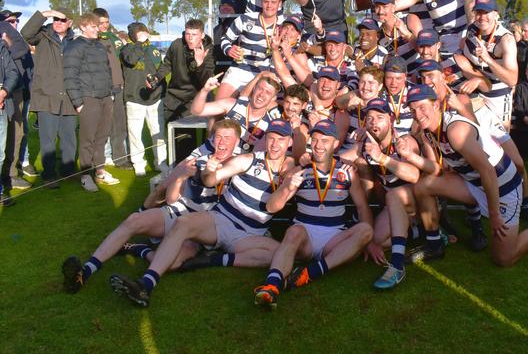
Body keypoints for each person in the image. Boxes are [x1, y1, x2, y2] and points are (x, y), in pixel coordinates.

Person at [108, 119, 295, 307]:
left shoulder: (291, 170)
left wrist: (289, 177)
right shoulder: (247, 159)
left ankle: (209, 260)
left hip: (248, 235)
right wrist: (209, 173)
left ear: (290, 143)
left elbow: (276, 200)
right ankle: (145, 284)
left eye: (281, 139)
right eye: (271, 138)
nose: (275, 144)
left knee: (282, 255)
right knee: (182, 227)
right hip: (219, 221)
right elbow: (211, 179)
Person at [61, 119, 240, 294]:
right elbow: (171, 199)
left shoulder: (241, 166)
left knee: (172, 262)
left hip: (203, 227)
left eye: (227, 137)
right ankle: (85, 272)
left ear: (237, 141)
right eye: (218, 137)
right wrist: (180, 177)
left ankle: (137, 250)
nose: (222, 142)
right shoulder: (198, 161)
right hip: (180, 211)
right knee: (134, 220)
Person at [405, 84, 528, 267]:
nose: (417, 114)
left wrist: (494, 213)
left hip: (503, 188)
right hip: (476, 184)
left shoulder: (455, 130)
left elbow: (488, 170)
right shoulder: (429, 130)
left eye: (422, 107)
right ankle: (434, 245)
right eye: (413, 110)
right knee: (422, 187)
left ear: (435, 105)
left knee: (503, 259)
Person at [253, 119, 375, 309]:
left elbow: (362, 207)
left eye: (325, 141)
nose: (318, 145)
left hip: (334, 239)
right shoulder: (300, 171)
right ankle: (272, 285)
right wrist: (287, 188)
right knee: (293, 232)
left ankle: (311, 273)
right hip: (305, 237)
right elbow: (271, 207)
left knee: (366, 230)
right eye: (315, 140)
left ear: (335, 144)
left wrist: (370, 243)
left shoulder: (347, 171)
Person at [341, 98, 420, 290]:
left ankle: (397, 264)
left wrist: (382, 158)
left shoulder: (404, 141)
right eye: (369, 118)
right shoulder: (366, 144)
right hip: (392, 206)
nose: (374, 122)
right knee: (373, 240)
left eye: (379, 117)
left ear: (391, 119)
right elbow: (339, 159)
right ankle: (416, 232)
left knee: (394, 196)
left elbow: (415, 176)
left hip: (418, 202)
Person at [63, 12, 120, 192]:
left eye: (98, 26)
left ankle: (100, 171)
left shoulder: (100, 46)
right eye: (94, 26)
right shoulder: (75, 47)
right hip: (88, 99)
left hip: (105, 98)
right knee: (88, 138)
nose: (98, 29)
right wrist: (78, 102)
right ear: (83, 27)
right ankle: (86, 175)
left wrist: (110, 93)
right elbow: (70, 76)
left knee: (102, 137)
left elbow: (107, 71)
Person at [21, 9, 77, 189]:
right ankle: (50, 175)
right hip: (46, 97)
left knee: (69, 138)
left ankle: (68, 171)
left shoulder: (74, 41)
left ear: (70, 22)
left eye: (63, 19)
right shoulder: (43, 35)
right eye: (55, 19)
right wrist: (44, 14)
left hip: (69, 97)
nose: (58, 22)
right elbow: (26, 34)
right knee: (48, 139)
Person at [150, 19, 215, 162]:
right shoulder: (176, 45)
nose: (190, 38)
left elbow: (206, 81)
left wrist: (200, 64)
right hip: (174, 97)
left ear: (202, 35)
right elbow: (166, 64)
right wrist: (156, 78)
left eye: (194, 34)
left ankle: (196, 169)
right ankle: (179, 169)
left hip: (196, 98)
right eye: (187, 34)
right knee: (178, 137)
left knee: (197, 137)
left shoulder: (208, 49)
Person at [218, 0, 285, 98]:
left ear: (280, 4)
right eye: (266, 1)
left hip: (267, 72)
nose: (269, 5)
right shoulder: (245, 19)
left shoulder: (285, 24)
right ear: (261, 2)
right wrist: (229, 49)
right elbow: (225, 39)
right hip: (240, 68)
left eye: (273, 2)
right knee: (218, 108)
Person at [463, 0, 519, 129]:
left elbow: (512, 80)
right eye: (478, 12)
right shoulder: (471, 30)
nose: (482, 17)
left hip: (498, 94)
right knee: (476, 133)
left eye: (486, 12)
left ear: (496, 15)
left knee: (501, 139)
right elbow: (461, 51)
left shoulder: (506, 39)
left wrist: (488, 58)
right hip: (476, 90)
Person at [120, 22, 168, 176]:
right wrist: (139, 43)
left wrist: (161, 90)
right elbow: (132, 60)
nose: (142, 35)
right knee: (135, 134)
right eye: (138, 33)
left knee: (158, 132)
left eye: (144, 32)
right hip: (134, 98)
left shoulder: (153, 49)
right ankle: (138, 163)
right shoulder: (126, 49)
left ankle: (161, 162)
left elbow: (160, 70)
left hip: (155, 97)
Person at [0, 9, 34, 190]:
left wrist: (7, 45)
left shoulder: (10, 32)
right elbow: (20, 48)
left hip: (16, 88)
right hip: (7, 89)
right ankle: (8, 176)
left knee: (17, 132)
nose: (14, 24)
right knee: (7, 135)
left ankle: (10, 175)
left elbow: (22, 49)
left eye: (16, 21)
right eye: (11, 21)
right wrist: (6, 45)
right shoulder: (3, 26)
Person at [93, 8, 130, 169]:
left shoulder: (114, 39)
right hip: (100, 89)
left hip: (117, 86)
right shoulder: (91, 40)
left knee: (119, 125)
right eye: (100, 23)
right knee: (101, 125)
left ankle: (120, 158)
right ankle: (101, 157)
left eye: (106, 22)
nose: (104, 26)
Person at [0, 37, 21, 207]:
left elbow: (13, 72)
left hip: (1, 107)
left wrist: (3, 91)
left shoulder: (1, 48)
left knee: (0, 154)